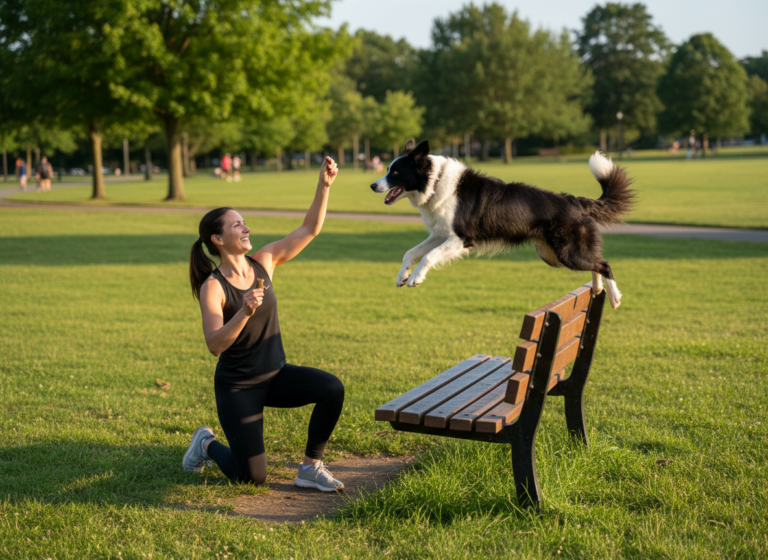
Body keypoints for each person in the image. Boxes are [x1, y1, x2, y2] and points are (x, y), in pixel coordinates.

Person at [183, 157, 346, 492]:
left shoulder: (264, 262)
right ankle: (205, 445)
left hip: (275, 375)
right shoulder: (212, 287)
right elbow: (214, 344)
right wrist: (243, 312)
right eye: (237, 225)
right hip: (238, 387)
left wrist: (324, 186)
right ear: (217, 239)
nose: (246, 228)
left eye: (245, 223)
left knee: (331, 388)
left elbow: (308, 230)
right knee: (251, 477)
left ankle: (310, 467)